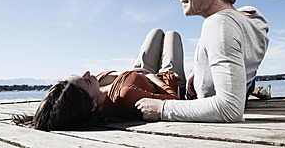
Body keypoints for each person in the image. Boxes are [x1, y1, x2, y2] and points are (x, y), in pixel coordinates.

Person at [135, 0, 269, 122]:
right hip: (192, 84)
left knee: (152, 44)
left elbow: (230, 108)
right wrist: (197, 69)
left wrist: (162, 108)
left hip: (181, 97)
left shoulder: (219, 24)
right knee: (167, 35)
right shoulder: (254, 18)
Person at [13, 28, 186, 131]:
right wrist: (150, 76)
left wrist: (136, 73)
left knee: (156, 32)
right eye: (86, 81)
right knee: (172, 35)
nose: (89, 73)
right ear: (93, 105)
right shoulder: (124, 97)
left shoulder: (96, 84)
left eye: (81, 75)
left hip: (138, 72)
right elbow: (173, 100)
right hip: (166, 80)